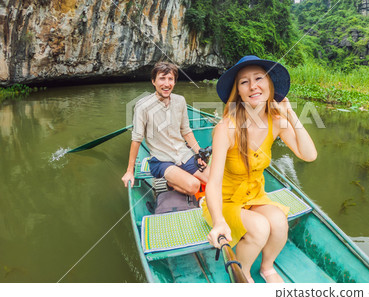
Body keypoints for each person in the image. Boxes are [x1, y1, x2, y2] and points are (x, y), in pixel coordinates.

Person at [203, 55, 317, 283]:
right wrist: (218, 222)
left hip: (255, 196)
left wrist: (291, 114)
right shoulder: (227, 128)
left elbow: (309, 155)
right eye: (244, 82)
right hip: (225, 201)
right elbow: (212, 183)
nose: (253, 86)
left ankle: (267, 267)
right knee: (261, 227)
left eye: (259, 78)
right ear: (239, 91)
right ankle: (243, 272)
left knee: (279, 223)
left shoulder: (276, 121)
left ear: (270, 85)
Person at [121, 62, 209, 196]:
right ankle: (170, 183)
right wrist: (129, 171)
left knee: (214, 180)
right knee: (194, 186)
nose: (166, 84)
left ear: (174, 82)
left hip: (183, 154)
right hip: (161, 160)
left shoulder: (180, 101)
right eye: (162, 78)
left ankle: (180, 176)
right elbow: (137, 139)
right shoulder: (142, 106)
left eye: (170, 79)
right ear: (153, 81)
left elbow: (186, 131)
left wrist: (199, 153)